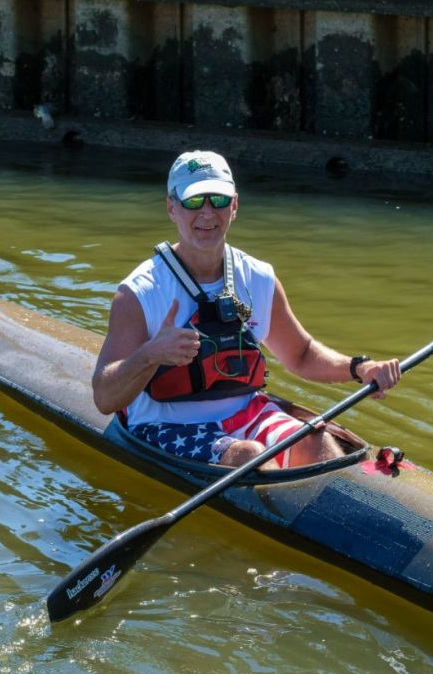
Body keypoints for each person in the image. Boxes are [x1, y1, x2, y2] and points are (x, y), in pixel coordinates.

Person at [92, 150, 401, 470]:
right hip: (165, 424)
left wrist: (360, 368)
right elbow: (104, 397)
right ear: (172, 208)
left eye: (219, 200)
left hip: (246, 414)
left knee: (317, 441)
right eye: (194, 201)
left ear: (235, 205)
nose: (208, 213)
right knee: (249, 456)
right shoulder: (139, 291)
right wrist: (152, 353)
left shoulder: (258, 278)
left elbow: (303, 355)